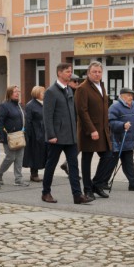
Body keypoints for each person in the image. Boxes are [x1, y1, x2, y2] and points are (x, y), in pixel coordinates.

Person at [42, 63, 90, 204]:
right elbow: (47, 115)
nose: (70, 74)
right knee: (51, 165)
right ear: (59, 73)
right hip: (56, 137)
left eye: (71, 71)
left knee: (73, 165)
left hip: (70, 136)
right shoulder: (51, 91)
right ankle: (46, 193)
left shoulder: (69, 90)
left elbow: (73, 114)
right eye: (68, 72)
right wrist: (51, 135)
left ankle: (77, 195)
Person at [75, 61, 114, 199]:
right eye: (94, 72)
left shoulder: (101, 86)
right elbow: (82, 111)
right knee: (87, 159)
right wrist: (91, 129)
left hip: (102, 130)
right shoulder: (82, 88)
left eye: (99, 72)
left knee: (109, 156)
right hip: (89, 131)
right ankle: (87, 189)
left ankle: (96, 184)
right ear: (88, 73)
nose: (97, 74)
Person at [108, 87, 134, 192]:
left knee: (129, 164)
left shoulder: (133, 105)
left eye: (132, 95)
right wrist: (122, 125)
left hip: (129, 141)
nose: (131, 97)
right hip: (117, 140)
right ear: (121, 96)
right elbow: (111, 122)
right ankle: (102, 182)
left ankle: (133, 184)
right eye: (128, 95)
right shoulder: (115, 107)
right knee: (111, 163)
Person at [0, 85, 27, 187]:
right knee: (10, 157)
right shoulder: (4, 106)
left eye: (18, 91)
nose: (17, 93)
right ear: (9, 93)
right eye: (14, 92)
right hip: (8, 136)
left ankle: (18, 179)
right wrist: (1, 135)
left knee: (19, 158)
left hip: (20, 136)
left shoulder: (20, 105)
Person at [23, 86, 47, 183]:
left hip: (43, 132)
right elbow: (28, 121)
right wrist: (27, 135)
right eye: (42, 93)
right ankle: (34, 174)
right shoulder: (31, 105)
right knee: (34, 153)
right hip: (34, 133)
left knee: (42, 153)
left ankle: (39, 172)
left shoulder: (43, 104)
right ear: (37, 93)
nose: (44, 94)